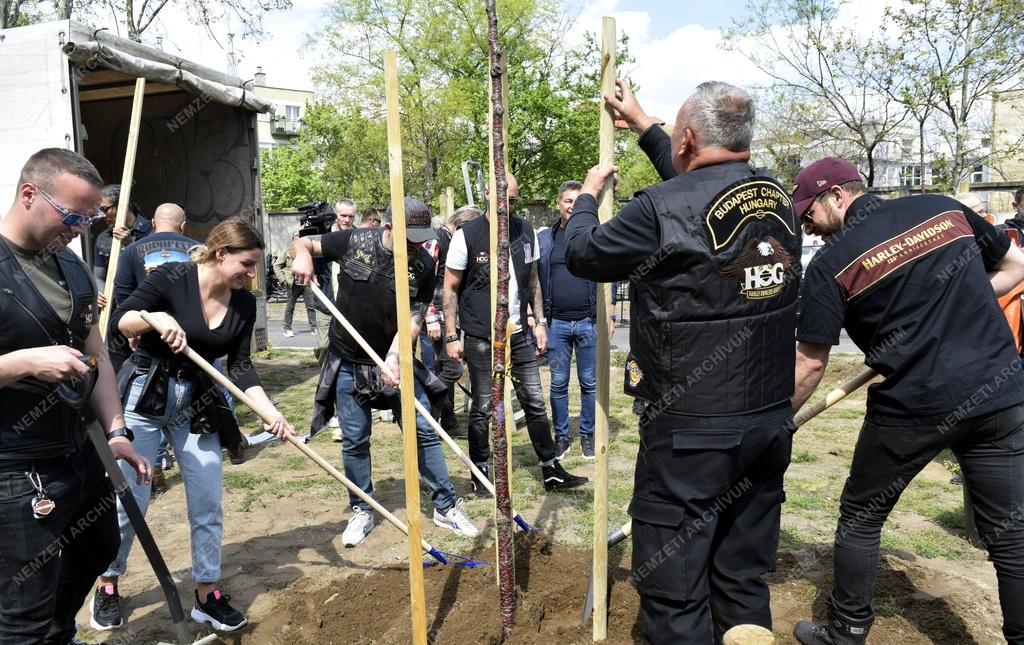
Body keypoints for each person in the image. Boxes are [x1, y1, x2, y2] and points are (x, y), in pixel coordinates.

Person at [564, 80, 800, 644]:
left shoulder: (658, 209)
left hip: (692, 431)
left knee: (675, 585)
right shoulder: (776, 197)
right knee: (741, 575)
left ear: (688, 137)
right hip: (768, 421)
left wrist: (588, 201)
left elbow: (584, 254)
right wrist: (646, 125)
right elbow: (702, 203)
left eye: (674, 132)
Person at [788, 157, 1024, 645]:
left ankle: (846, 631)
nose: (807, 223)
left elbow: (810, 364)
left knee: (862, 514)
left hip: (916, 409)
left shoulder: (832, 264)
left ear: (837, 195)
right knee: (1013, 536)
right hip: (999, 394)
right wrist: (950, 310)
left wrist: (777, 418)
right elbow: (1015, 266)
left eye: (809, 210)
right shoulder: (943, 209)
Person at [93, 218, 294, 634]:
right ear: (222, 254)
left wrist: (268, 411)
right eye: (247, 264)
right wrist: (153, 319)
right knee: (133, 500)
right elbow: (121, 321)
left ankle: (206, 594)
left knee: (207, 503)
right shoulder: (172, 278)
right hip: (144, 398)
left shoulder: (244, 303)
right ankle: (108, 582)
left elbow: (241, 368)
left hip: (199, 404)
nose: (252, 274)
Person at [0, 148, 150, 644]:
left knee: (97, 548)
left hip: (82, 451)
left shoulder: (71, 265)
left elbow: (98, 355)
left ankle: (57, 634)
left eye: (91, 217)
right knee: (24, 603)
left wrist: (118, 431)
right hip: (17, 466)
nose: (82, 228)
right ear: (28, 195)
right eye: (73, 215)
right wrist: (25, 362)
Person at [291, 198, 479, 547]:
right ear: (389, 228)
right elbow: (303, 243)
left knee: (423, 429)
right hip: (348, 359)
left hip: (394, 357)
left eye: (421, 239)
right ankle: (362, 508)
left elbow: (414, 318)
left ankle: (446, 506)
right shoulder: (354, 241)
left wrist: (394, 357)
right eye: (411, 238)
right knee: (355, 439)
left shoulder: (423, 265)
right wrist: (302, 256)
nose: (417, 246)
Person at [443, 173, 588, 495]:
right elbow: (450, 289)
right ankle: (480, 473)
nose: (507, 207)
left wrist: (539, 321)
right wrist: (452, 337)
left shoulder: (525, 231)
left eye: (512, 200)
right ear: (486, 195)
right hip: (482, 334)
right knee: (483, 406)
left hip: (519, 331)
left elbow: (533, 280)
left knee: (534, 401)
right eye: (502, 200)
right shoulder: (467, 235)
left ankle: (551, 469)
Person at [111, 203, 200, 490]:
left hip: (148, 348)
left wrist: (133, 330)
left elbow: (122, 302)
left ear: (152, 222)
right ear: (183, 224)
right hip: (192, 351)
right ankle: (231, 441)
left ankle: (155, 466)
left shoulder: (132, 250)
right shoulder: (199, 250)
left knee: (151, 401)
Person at [538, 180, 606, 460]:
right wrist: (539, 318)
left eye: (578, 202)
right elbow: (535, 282)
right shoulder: (546, 239)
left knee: (590, 383)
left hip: (588, 322)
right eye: (568, 201)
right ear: (558, 204)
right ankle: (563, 437)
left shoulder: (594, 235)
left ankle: (588, 435)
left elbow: (608, 274)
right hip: (557, 324)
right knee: (558, 383)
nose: (572, 206)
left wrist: (609, 314)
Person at [92, 184, 151, 282]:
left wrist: (129, 245)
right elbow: (98, 277)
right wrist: (101, 293)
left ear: (122, 205)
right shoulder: (103, 238)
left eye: (104, 209)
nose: (102, 216)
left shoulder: (151, 231)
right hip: (116, 296)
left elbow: (155, 273)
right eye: (99, 211)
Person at [274, 231, 318, 338]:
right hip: (292, 284)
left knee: (311, 307)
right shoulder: (287, 252)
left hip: (306, 284)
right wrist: (283, 280)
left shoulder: (307, 252)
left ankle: (314, 328)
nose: (297, 240)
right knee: (290, 307)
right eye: (295, 238)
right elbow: (276, 266)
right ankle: (287, 329)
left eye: (299, 238)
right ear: (292, 239)